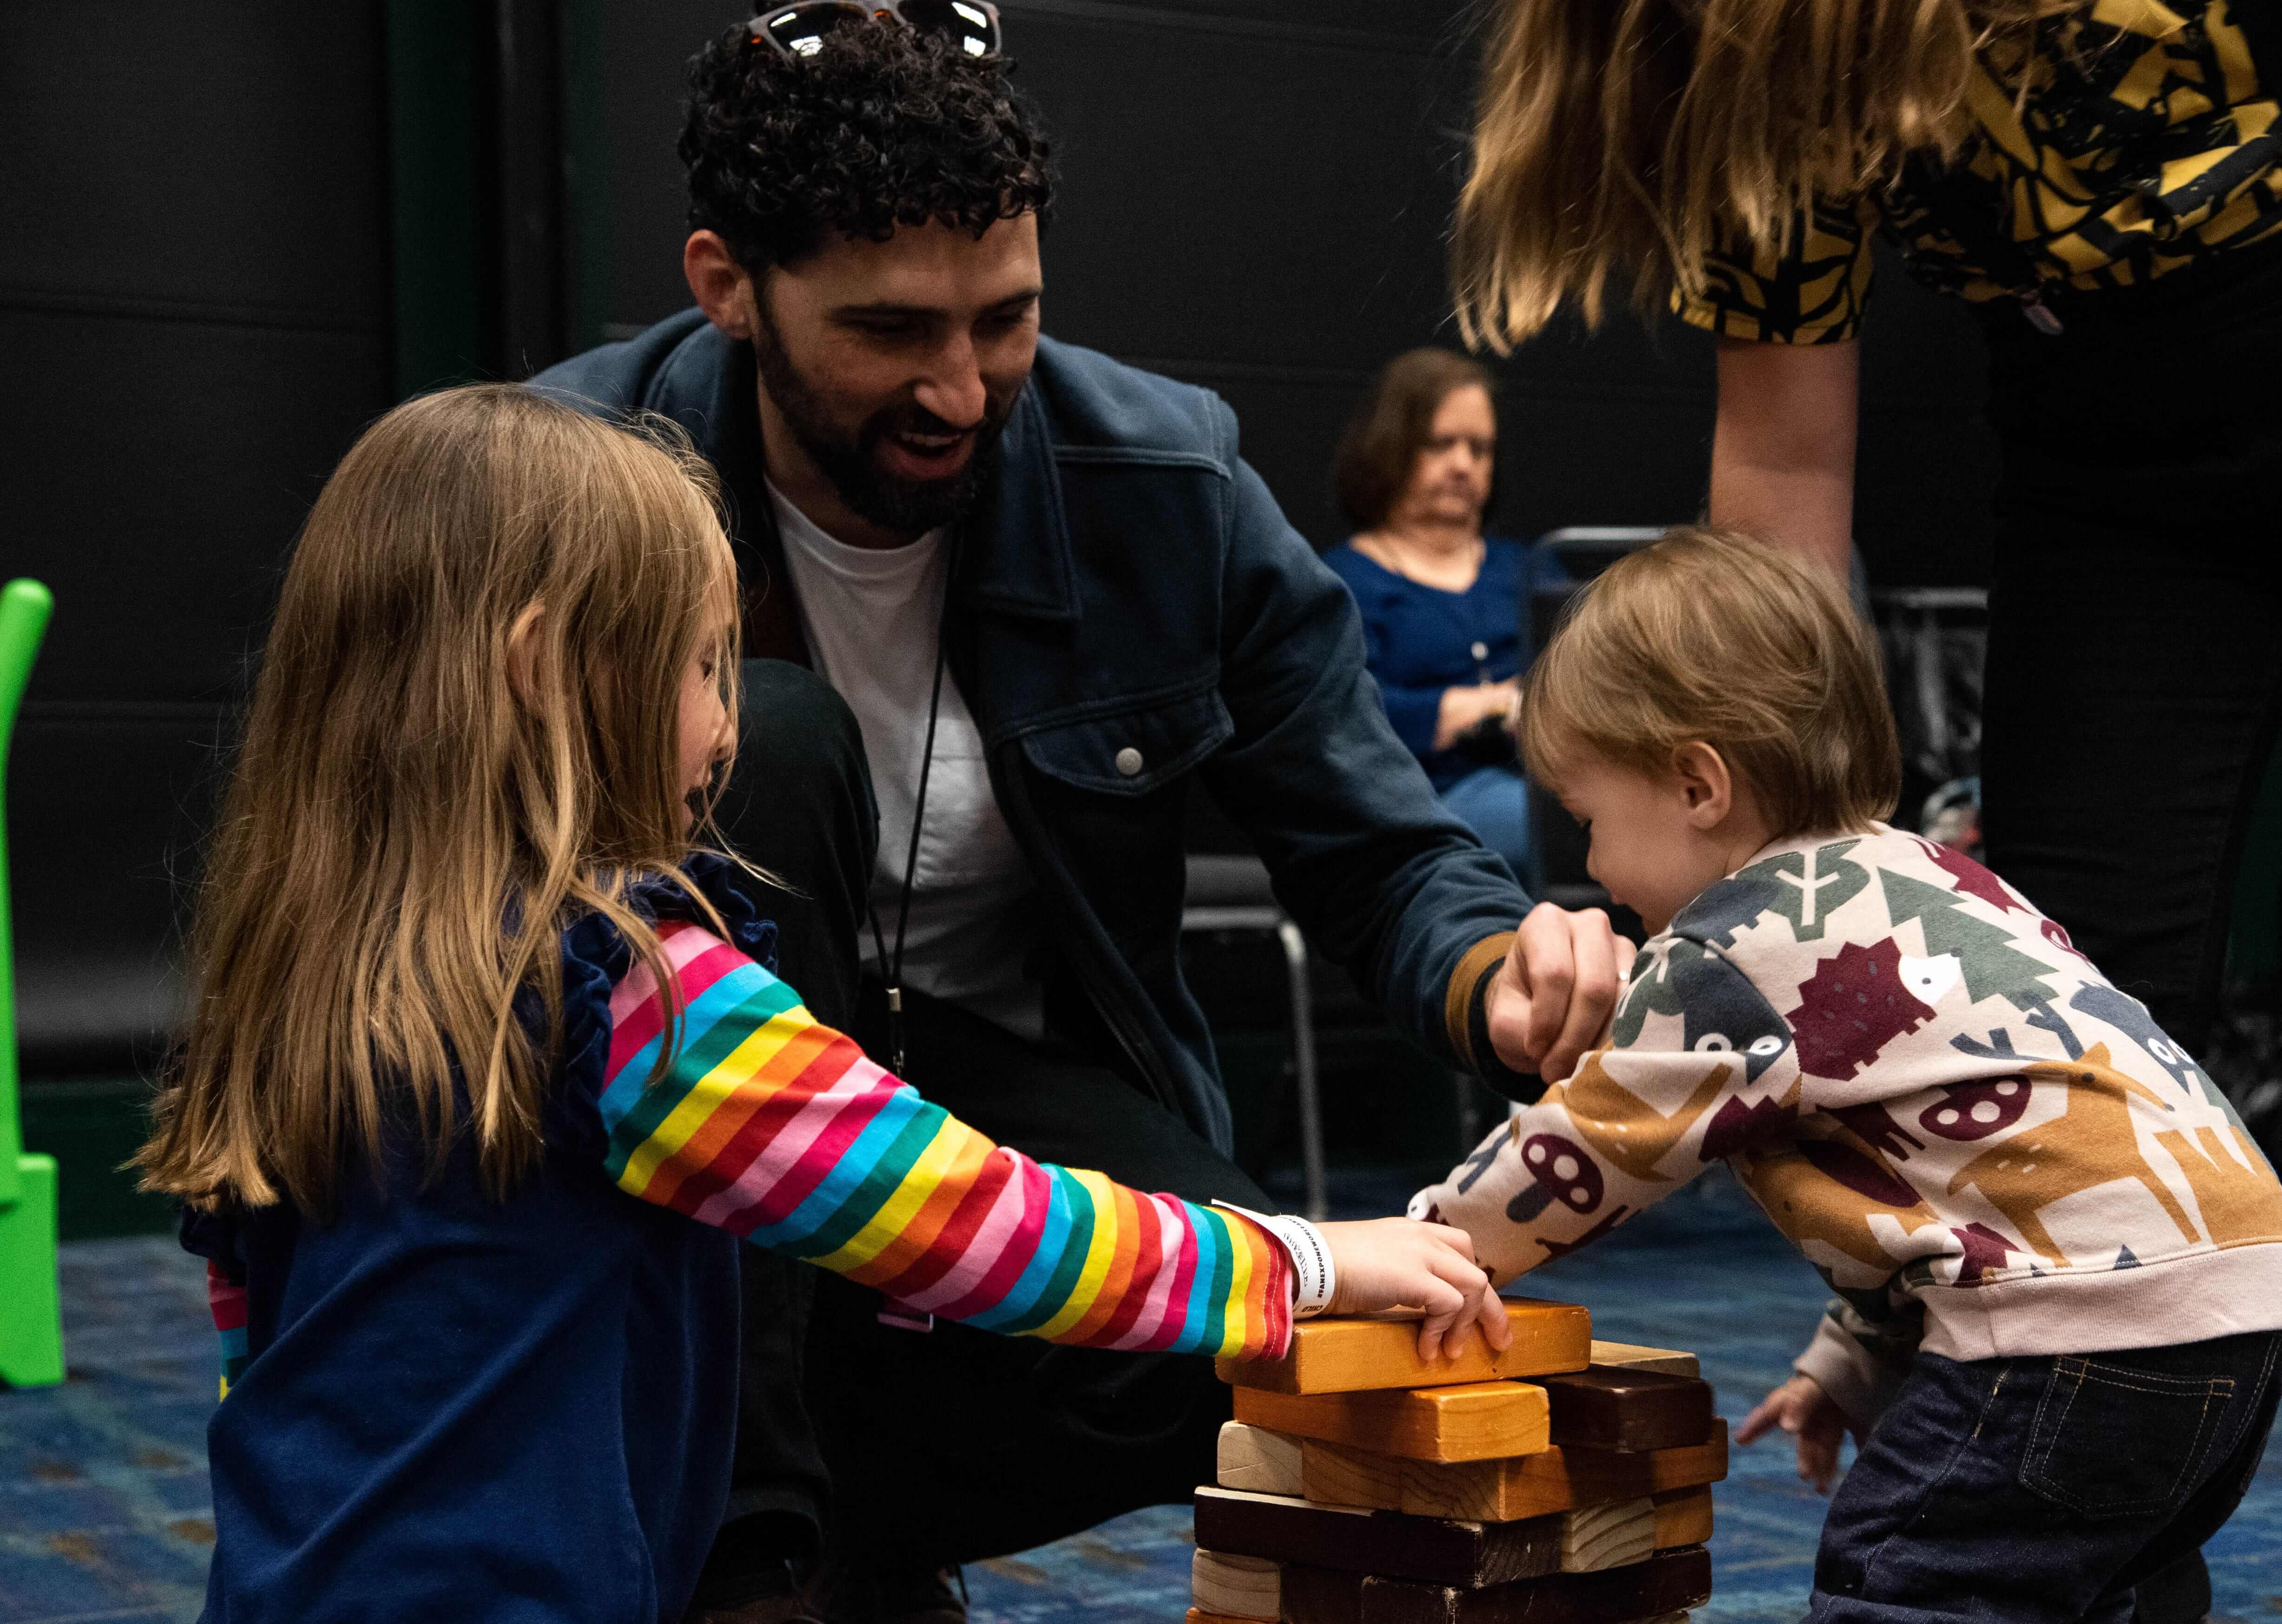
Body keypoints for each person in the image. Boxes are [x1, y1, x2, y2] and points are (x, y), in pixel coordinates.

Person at [534, 0, 1630, 1620]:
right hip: (681, 1097)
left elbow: (1378, 841)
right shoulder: (570, 480)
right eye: (892, 330)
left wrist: (1503, 975)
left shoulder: (1168, 481)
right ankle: (754, 1562)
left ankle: (848, 1536)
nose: (964, 389)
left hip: (1005, 1068)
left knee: (1265, 1329)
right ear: (729, 289)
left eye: (1006, 318)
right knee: (777, 736)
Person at [135, 385, 1506, 1624]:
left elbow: (252, 1364)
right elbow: (979, 1223)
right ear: (543, 665)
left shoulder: (292, 983)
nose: (729, 726)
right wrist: (1309, 1265)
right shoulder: (640, 996)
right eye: (696, 666)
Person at [1449, 0, 2282, 1088]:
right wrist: (1771, 854)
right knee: (2065, 1021)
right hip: (2110, 455)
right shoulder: (1740, 33)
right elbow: (1782, 454)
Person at [1414, 527, 2282, 1624]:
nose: (1592, 865)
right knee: (2107, 1585)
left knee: (1907, 1576)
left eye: (1591, 820)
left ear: (1696, 784)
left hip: (2074, 1328)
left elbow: (1590, 1148)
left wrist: (1428, 1248)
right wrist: (1851, 1359)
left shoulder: (1730, 949)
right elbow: (1966, 1173)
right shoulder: (1935, 877)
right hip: (2237, 1304)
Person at [1322, 349, 1537, 890]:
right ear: (1390, 447)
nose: (1463, 464)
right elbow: (1343, 720)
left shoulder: (1530, 568)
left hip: (1552, 782)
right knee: (1553, 827)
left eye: (1480, 448)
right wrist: (1477, 707)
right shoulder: (1343, 581)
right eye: (1441, 444)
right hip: (1424, 805)